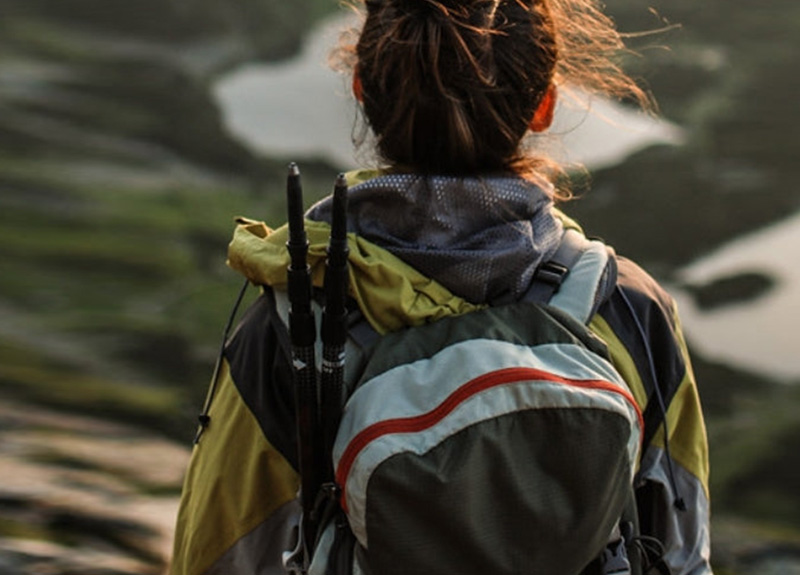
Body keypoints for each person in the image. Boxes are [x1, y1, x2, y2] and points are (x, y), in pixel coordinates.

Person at [170, 0, 713, 574]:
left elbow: (215, 557)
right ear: (545, 105)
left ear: (360, 87)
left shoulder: (292, 324)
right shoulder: (630, 309)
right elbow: (682, 551)